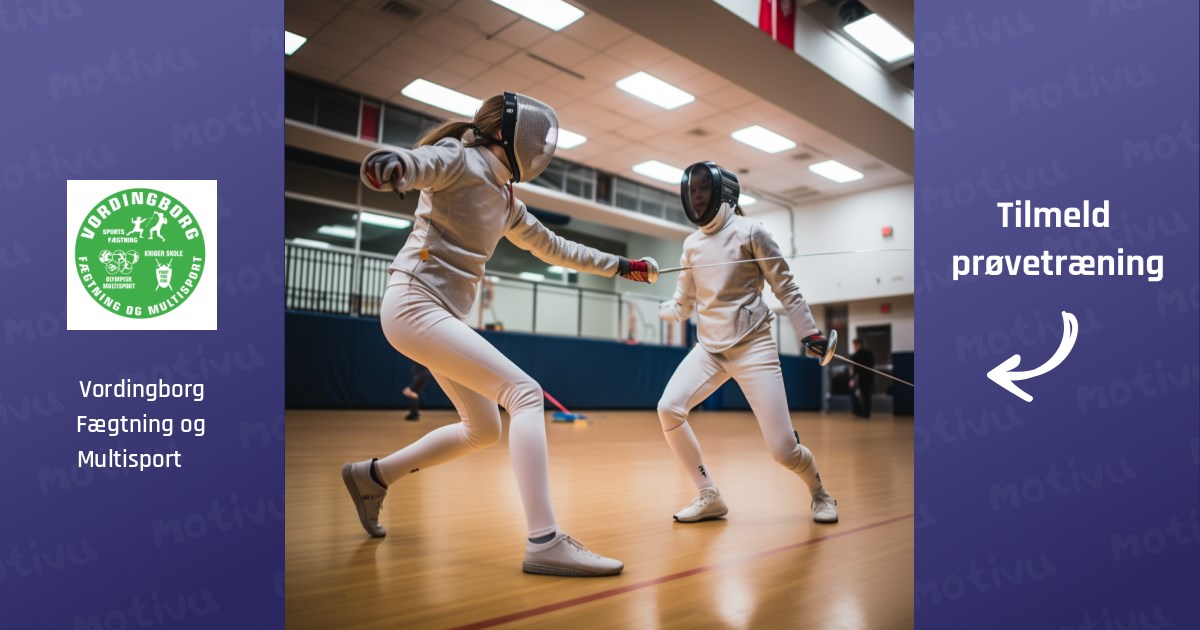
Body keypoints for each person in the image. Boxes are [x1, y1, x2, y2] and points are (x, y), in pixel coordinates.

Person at [341, 92, 658, 577]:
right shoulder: (459, 159)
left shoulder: (507, 198)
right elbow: (418, 162)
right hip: (413, 302)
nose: (541, 147)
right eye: (536, 137)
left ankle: (374, 477)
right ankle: (544, 539)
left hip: (441, 314)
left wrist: (623, 266)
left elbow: (555, 248)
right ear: (510, 135)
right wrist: (392, 164)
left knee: (483, 429)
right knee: (525, 394)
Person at [657, 161, 838, 525]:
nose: (697, 199)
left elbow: (785, 287)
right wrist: (661, 306)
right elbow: (683, 305)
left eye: (703, 192)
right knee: (669, 408)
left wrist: (809, 334)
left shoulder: (751, 231)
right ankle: (709, 495)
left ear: (723, 194)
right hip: (709, 350)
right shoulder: (691, 245)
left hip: (753, 347)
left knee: (783, 451)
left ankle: (820, 493)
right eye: (693, 193)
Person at [849, 338, 875, 418]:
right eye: (854, 345)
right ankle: (859, 411)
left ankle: (866, 413)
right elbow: (855, 368)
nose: (854, 346)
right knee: (860, 395)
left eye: (855, 345)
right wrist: (852, 378)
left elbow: (869, 364)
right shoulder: (856, 355)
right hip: (860, 378)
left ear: (859, 344)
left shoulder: (866, 353)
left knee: (866, 395)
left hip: (867, 378)